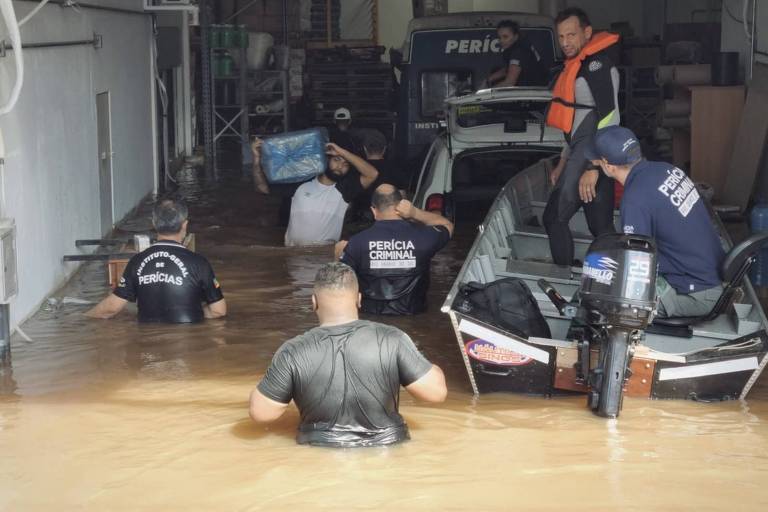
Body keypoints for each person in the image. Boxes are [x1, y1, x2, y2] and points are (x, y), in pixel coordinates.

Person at [249, 262, 447, 447]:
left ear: (313, 302)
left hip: (320, 452)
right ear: (359, 299)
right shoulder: (393, 339)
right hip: (387, 450)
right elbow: (436, 394)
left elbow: (261, 413)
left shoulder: (292, 350)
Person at [586, 126, 725, 318]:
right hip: (713, 274)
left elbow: (637, 265)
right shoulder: (667, 169)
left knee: (606, 301)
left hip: (698, 294)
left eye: (598, 162)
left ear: (608, 166)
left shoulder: (635, 199)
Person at [543, 7, 621, 266]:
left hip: (592, 153)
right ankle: (610, 282)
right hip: (581, 151)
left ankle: (563, 276)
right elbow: (574, 125)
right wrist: (563, 163)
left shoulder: (597, 66)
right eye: (561, 36)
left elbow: (610, 119)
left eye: (571, 35)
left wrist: (593, 166)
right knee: (601, 226)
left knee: (554, 217)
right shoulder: (578, 65)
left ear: (587, 33)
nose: (565, 42)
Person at [85, 198, 227, 323]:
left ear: (153, 223)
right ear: (184, 225)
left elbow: (111, 308)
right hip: (188, 343)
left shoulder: (137, 261)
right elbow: (218, 311)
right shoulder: (199, 263)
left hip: (147, 345)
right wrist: (194, 313)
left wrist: (82, 317)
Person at [335, 184, 454, 315]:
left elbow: (339, 286)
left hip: (371, 318)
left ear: (373, 211)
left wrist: (338, 259)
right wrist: (415, 213)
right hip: (413, 316)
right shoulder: (425, 237)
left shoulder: (356, 243)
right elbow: (447, 225)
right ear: (402, 206)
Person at [271, 140, 378, 246]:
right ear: (326, 160)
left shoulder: (345, 190)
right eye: (336, 160)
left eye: (346, 164)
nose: (340, 167)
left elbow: (372, 174)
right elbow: (263, 188)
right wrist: (256, 160)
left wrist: (341, 151)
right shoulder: (300, 184)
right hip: (292, 255)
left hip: (324, 256)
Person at [486, 20, 547, 88]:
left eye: (505, 37)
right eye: (499, 37)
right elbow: (508, 70)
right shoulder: (521, 45)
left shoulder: (518, 52)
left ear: (516, 36)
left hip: (532, 93)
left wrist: (487, 92)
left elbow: (509, 83)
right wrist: (489, 79)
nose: (501, 41)